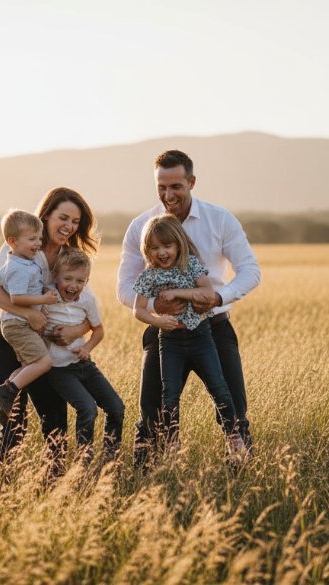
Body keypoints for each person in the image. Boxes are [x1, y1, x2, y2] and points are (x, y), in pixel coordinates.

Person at [116, 149, 261, 467]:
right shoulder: (141, 226)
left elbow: (251, 271)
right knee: (152, 414)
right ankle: (147, 478)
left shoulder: (219, 219)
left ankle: (240, 478)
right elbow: (124, 287)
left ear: (191, 181)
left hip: (214, 326)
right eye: (161, 187)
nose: (168, 195)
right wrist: (157, 306)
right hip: (163, 332)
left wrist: (220, 298)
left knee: (233, 408)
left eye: (176, 186)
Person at [0, 187, 99, 475]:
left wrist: (76, 331)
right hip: (6, 335)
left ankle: (54, 487)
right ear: (46, 216)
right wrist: (29, 314)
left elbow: (87, 309)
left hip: (46, 342)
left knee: (56, 421)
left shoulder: (71, 258)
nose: (69, 226)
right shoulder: (21, 243)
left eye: (75, 221)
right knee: (15, 422)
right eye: (63, 217)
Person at [132, 215, 246, 460]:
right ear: (147, 250)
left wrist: (176, 293)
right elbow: (138, 310)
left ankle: (233, 436)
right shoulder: (149, 276)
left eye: (167, 246)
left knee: (219, 387)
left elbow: (207, 292)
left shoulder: (191, 265)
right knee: (169, 393)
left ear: (179, 244)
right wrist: (158, 320)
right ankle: (172, 441)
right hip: (170, 340)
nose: (162, 252)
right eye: (155, 248)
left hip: (201, 336)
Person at [43, 247, 124, 465]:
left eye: (80, 281)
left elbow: (99, 330)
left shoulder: (87, 299)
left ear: (86, 282)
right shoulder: (47, 296)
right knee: (87, 408)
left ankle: (109, 458)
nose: (73, 285)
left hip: (84, 364)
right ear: (56, 276)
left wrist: (86, 348)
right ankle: (83, 461)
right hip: (59, 370)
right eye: (67, 278)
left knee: (116, 407)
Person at [0, 209, 59, 418]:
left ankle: (2, 395)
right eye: (32, 239)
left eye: (39, 238)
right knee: (43, 362)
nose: (38, 243)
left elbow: (27, 289)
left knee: (29, 364)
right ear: (12, 241)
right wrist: (43, 300)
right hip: (17, 324)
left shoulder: (26, 262)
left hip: (20, 324)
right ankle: (6, 393)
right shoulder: (17, 267)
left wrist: (42, 291)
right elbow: (16, 298)